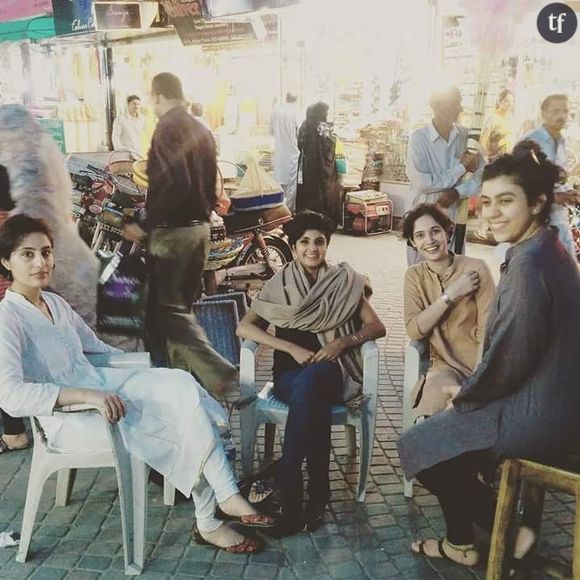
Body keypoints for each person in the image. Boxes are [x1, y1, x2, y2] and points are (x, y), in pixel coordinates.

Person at [0, 214, 275, 552]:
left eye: (46, 252)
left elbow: (95, 349)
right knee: (182, 417)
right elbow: (10, 396)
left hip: (105, 390)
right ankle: (213, 515)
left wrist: (141, 364)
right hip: (71, 417)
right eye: (27, 254)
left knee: (178, 384)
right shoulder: (7, 319)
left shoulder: (53, 302)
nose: (40, 262)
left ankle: (225, 498)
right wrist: (88, 395)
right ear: (5, 260)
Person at [398, 140, 580, 571]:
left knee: (420, 448)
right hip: (551, 398)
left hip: (541, 413)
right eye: (487, 202)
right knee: (436, 437)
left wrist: (464, 396)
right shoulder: (544, 250)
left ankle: (500, 533)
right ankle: (486, 534)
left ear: (537, 204)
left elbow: (506, 360)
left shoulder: (530, 268)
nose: (492, 212)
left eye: (506, 202)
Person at [237, 210, 386, 535]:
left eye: (319, 241)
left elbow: (376, 326)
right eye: (304, 242)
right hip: (287, 378)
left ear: (327, 244)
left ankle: (288, 485)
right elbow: (244, 327)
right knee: (311, 395)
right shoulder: (279, 284)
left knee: (316, 379)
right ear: (293, 246)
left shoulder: (344, 282)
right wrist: (290, 348)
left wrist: (343, 342)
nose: (312, 248)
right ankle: (318, 491)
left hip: (333, 373)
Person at [122, 73, 236, 397]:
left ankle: (221, 376)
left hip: (173, 235)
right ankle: (184, 392)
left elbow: (177, 183)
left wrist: (145, 224)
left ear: (157, 95)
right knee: (178, 313)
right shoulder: (201, 128)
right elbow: (211, 184)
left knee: (167, 314)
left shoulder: (168, 128)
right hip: (199, 232)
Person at [0, 105, 99, 454]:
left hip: (40, 272)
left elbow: (19, 222)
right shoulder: (39, 153)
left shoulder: (23, 167)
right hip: (58, 264)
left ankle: (18, 431)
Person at [402, 204, 495, 418]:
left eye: (435, 231)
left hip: (483, 365)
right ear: (413, 244)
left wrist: (478, 382)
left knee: (479, 410)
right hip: (445, 366)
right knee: (436, 400)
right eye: (420, 235)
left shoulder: (476, 268)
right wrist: (451, 294)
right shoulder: (415, 277)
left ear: (447, 232)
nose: (430, 240)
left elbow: (488, 331)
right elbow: (415, 330)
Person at [406, 86, 484, 263]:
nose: (460, 109)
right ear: (437, 107)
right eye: (456, 104)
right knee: (423, 274)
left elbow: (481, 176)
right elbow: (422, 183)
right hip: (424, 217)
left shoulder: (466, 136)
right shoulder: (419, 138)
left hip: (457, 217)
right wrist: (461, 168)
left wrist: (458, 192)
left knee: (454, 271)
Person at [525, 94, 579, 258]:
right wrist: (553, 197)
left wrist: (570, 194)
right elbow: (520, 184)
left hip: (558, 220)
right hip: (535, 223)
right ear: (543, 113)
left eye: (565, 111)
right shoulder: (531, 142)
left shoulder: (562, 142)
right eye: (556, 111)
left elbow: (556, 180)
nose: (561, 116)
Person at [296, 102, 340, 222]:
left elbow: (299, 144)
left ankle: (308, 216)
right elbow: (331, 145)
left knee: (309, 190)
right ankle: (323, 217)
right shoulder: (323, 126)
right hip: (322, 166)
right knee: (323, 191)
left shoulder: (304, 124)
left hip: (308, 165)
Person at [270, 92, 301, 212]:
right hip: (293, 152)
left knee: (278, 183)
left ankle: (277, 211)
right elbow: (299, 133)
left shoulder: (275, 112)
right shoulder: (296, 112)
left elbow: (271, 132)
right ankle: (288, 212)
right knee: (292, 185)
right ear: (296, 99)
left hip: (279, 153)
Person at [480, 89, 516, 161]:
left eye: (512, 101)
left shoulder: (511, 117)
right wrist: (488, 158)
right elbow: (483, 141)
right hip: (495, 160)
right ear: (499, 101)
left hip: (509, 159)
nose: (510, 104)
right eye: (507, 101)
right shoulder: (492, 118)